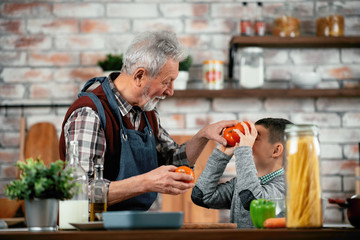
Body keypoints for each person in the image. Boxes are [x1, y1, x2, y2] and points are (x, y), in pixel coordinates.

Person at [59, 31, 237, 211]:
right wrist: (145, 182)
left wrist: (203, 135)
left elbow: (174, 162)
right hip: (92, 231)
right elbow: (78, 192)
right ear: (139, 76)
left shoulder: (146, 112)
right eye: (167, 82)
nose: (171, 91)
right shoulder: (90, 113)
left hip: (131, 225)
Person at [191, 118, 293, 228]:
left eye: (254, 137)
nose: (246, 141)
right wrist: (221, 156)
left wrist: (244, 150)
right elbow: (201, 196)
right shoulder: (241, 183)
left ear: (276, 150)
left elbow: (251, 198)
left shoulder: (288, 185)